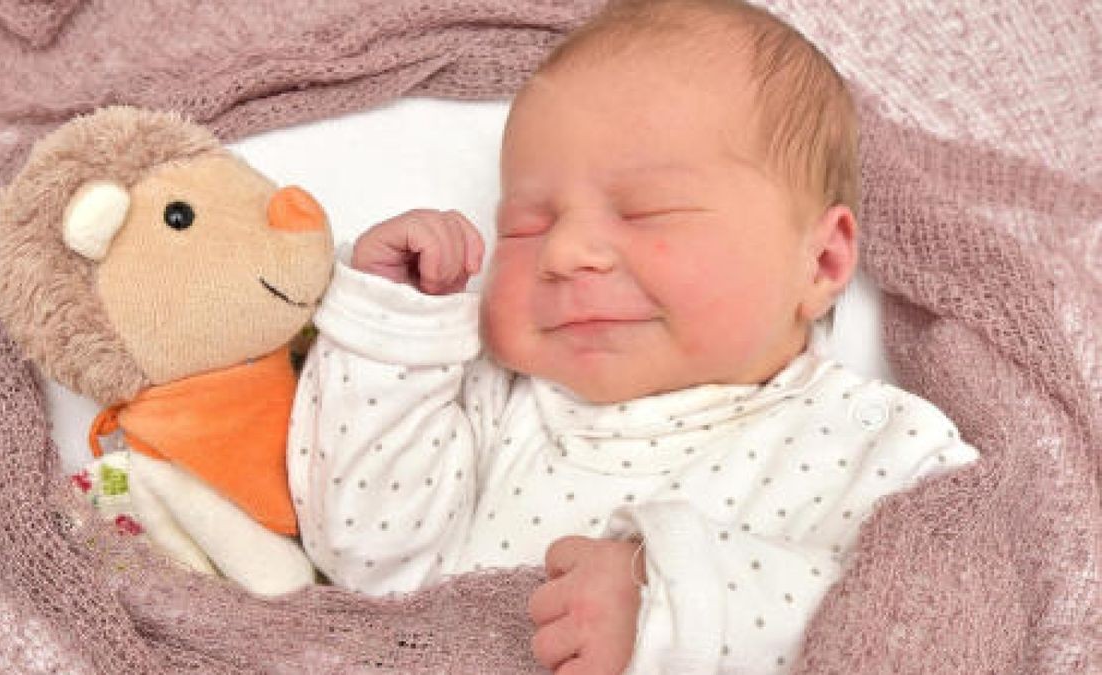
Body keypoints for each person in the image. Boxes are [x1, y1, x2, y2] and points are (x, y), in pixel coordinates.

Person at [287, 0, 978, 671]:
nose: (565, 252)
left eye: (648, 212)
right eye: (525, 225)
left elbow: (942, 630)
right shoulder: (496, 404)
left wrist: (679, 608)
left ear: (820, 261)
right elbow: (367, 557)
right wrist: (394, 329)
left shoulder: (880, 448)